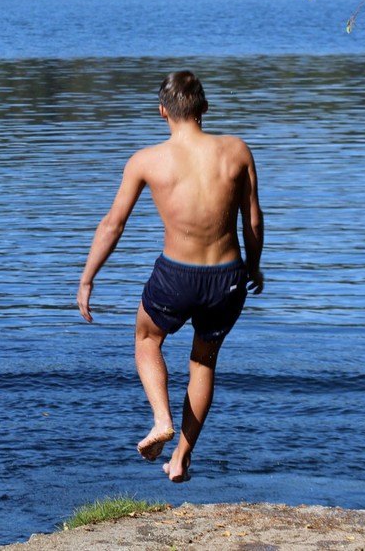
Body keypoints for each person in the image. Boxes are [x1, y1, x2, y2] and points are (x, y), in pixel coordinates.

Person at [77, 70, 264, 482]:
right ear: (205, 108)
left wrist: (88, 278)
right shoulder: (237, 151)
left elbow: (113, 225)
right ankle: (181, 456)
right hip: (227, 278)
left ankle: (161, 418)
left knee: (146, 339)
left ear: (162, 111)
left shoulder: (146, 160)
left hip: (176, 276)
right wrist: (254, 267)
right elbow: (253, 219)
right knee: (203, 363)